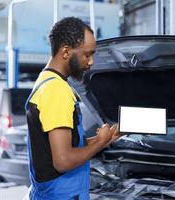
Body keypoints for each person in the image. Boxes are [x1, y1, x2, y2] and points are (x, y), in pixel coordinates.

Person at [25, 17, 119, 200]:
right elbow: (63, 160)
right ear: (66, 51)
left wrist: (106, 139)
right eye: (87, 54)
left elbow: (66, 146)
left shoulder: (47, 81)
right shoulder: (56, 91)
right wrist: (100, 143)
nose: (91, 62)